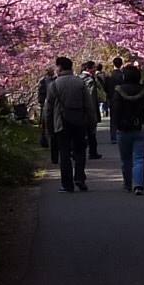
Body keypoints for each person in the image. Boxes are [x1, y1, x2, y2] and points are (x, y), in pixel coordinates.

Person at [43, 56, 98, 192]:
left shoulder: (54, 85)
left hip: (61, 123)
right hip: (79, 121)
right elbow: (88, 105)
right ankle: (79, 177)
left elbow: (48, 109)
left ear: (60, 67)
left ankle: (67, 184)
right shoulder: (80, 83)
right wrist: (92, 123)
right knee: (80, 151)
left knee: (65, 153)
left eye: (56, 66)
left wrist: (49, 128)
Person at [105, 64, 144, 195]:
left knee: (126, 159)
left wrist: (117, 125)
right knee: (139, 158)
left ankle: (128, 184)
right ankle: (138, 185)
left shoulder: (119, 91)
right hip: (139, 128)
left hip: (123, 130)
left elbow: (115, 110)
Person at [80, 59, 104, 159]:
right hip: (89, 110)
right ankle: (92, 152)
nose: (95, 69)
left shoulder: (78, 78)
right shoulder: (90, 80)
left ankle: (78, 152)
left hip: (80, 111)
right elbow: (91, 98)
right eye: (93, 67)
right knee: (91, 133)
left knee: (82, 133)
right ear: (88, 69)